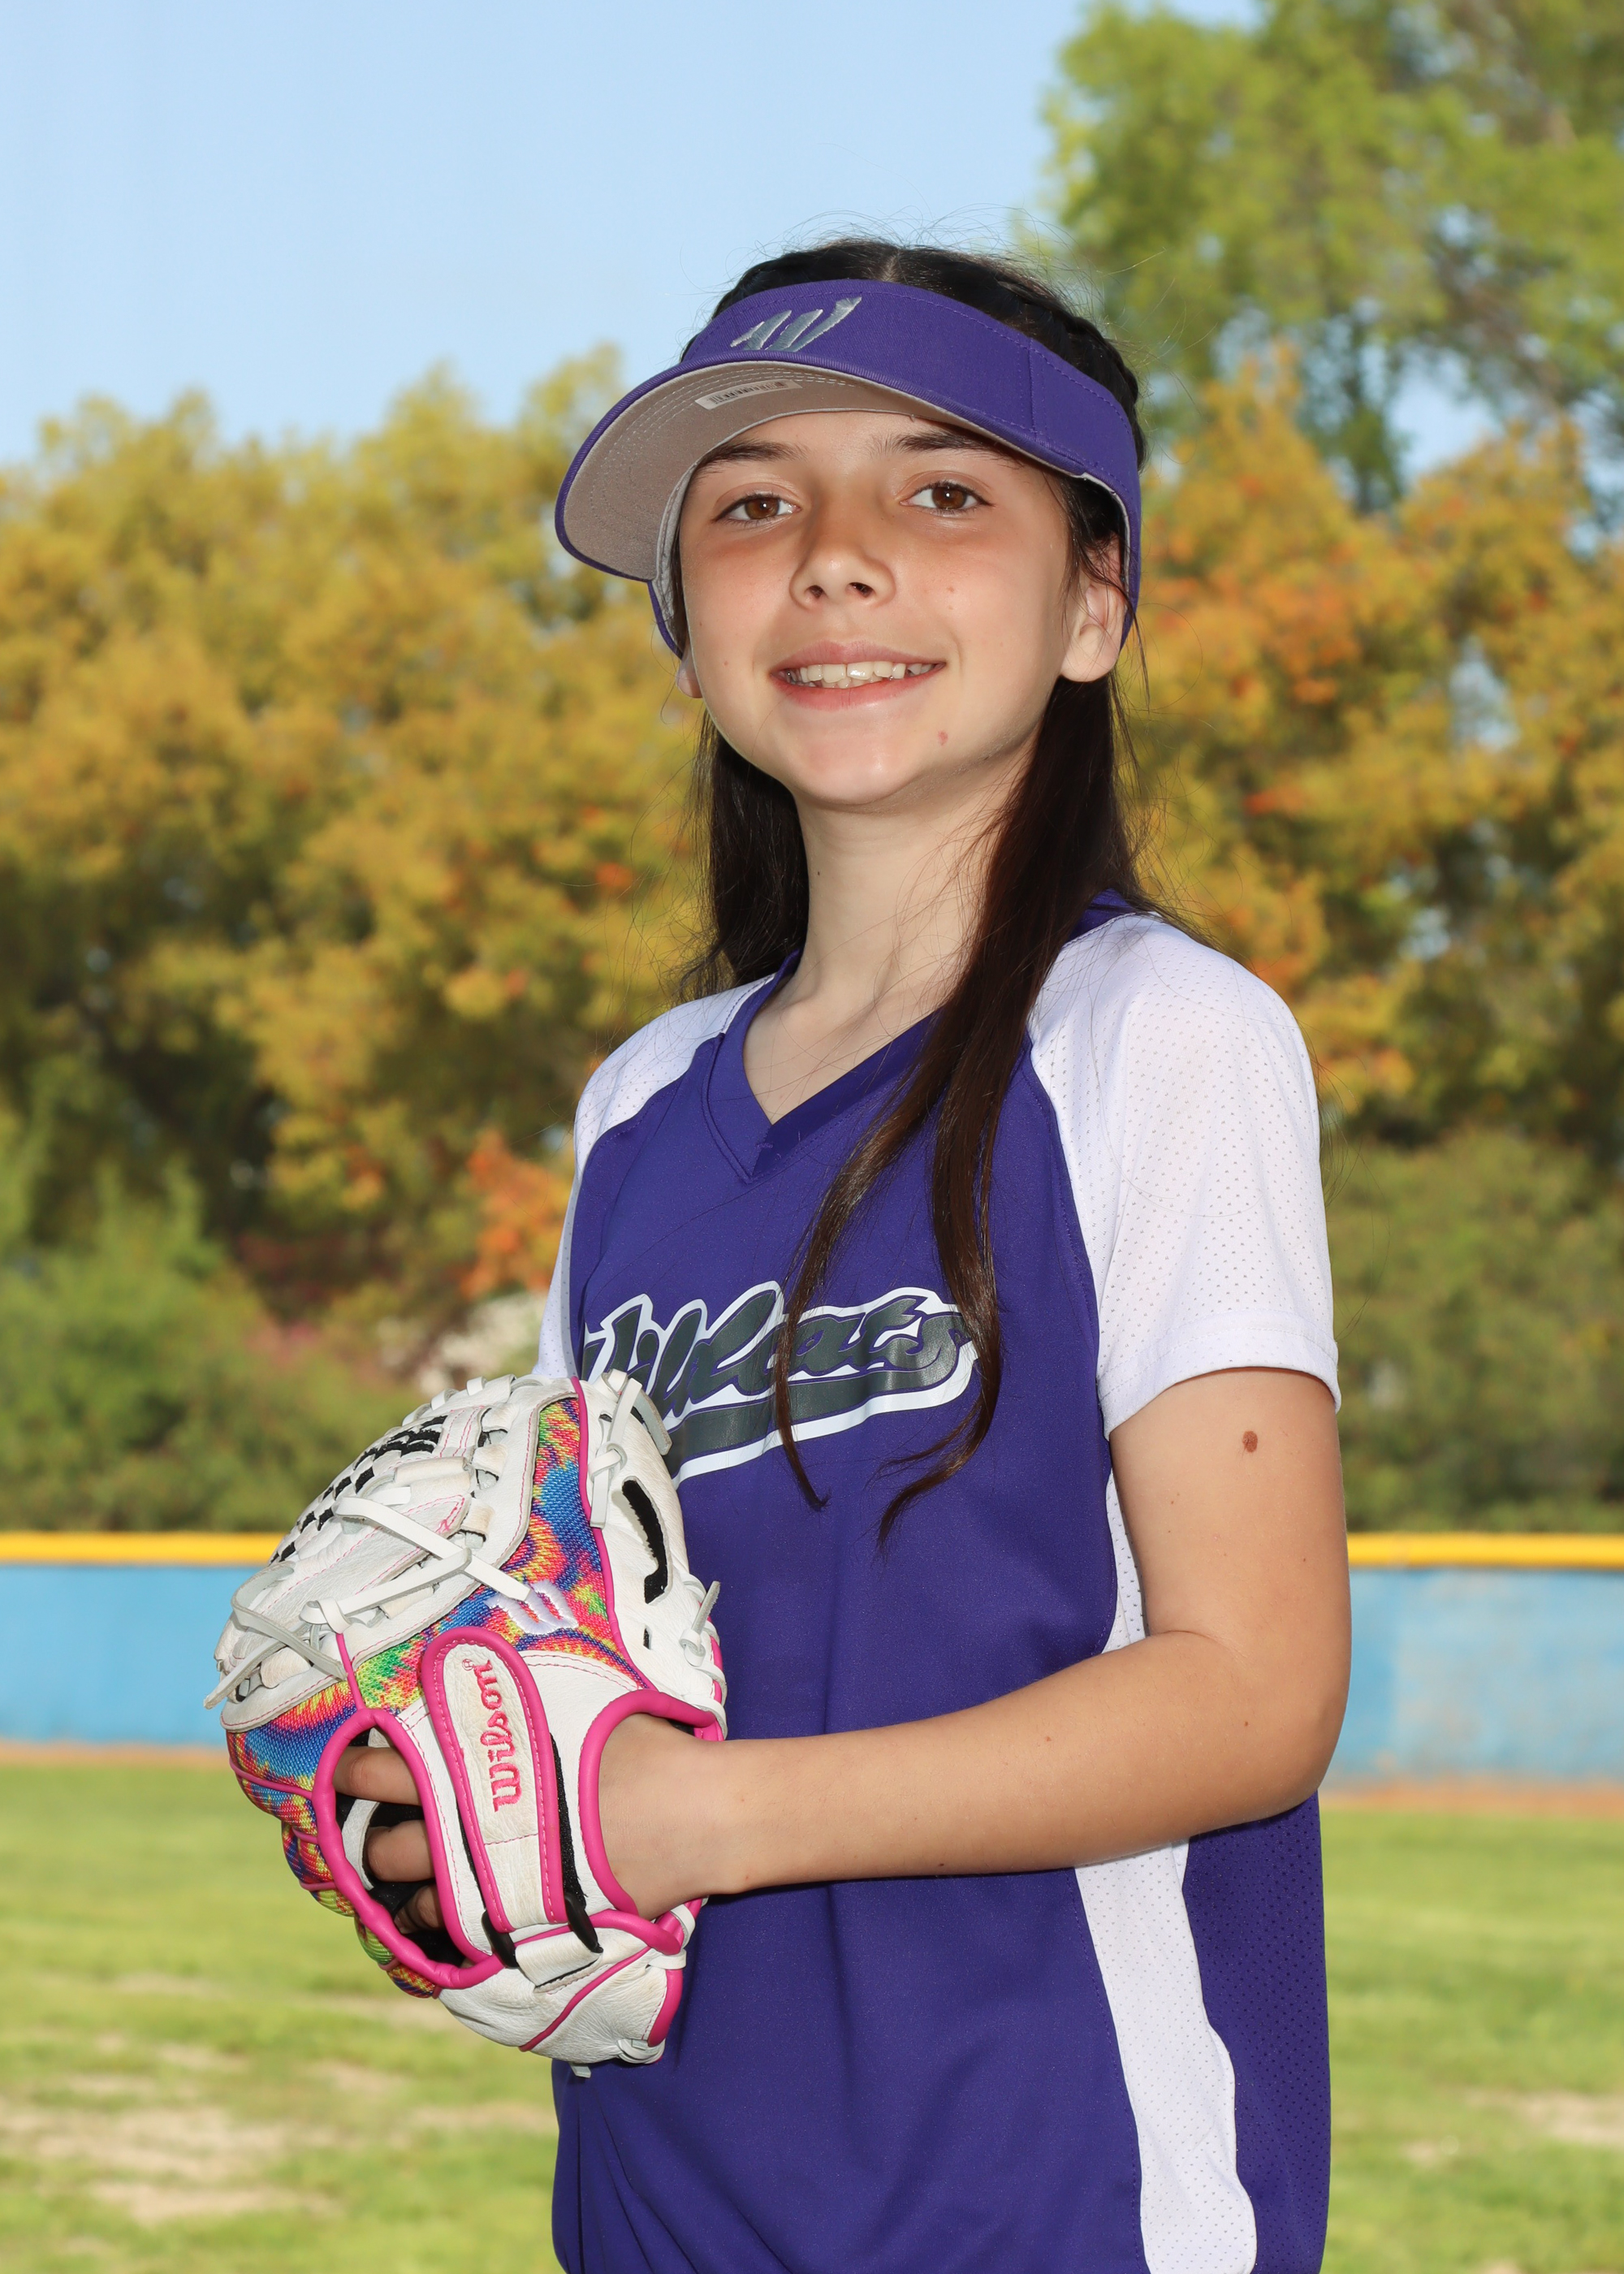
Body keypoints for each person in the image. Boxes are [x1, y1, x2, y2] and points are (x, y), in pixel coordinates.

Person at [340, 240, 1350, 2274]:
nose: (834, 558)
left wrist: (696, 1819)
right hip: (657, 2199)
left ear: (1093, 602)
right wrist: (432, 1774)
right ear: (683, 628)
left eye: (943, 489)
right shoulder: (640, 1107)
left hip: (1053, 2199)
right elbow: (591, 1648)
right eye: (751, 507)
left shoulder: (1154, 1035)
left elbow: (1251, 1690)